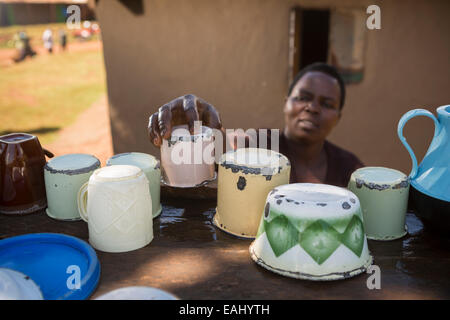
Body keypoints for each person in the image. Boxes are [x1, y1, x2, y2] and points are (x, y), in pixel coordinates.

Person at [148, 62, 364, 187]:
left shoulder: (350, 169)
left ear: (338, 117)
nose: (312, 108)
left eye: (326, 104)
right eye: (302, 97)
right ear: (286, 103)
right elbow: (224, 149)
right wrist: (193, 131)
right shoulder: (256, 145)